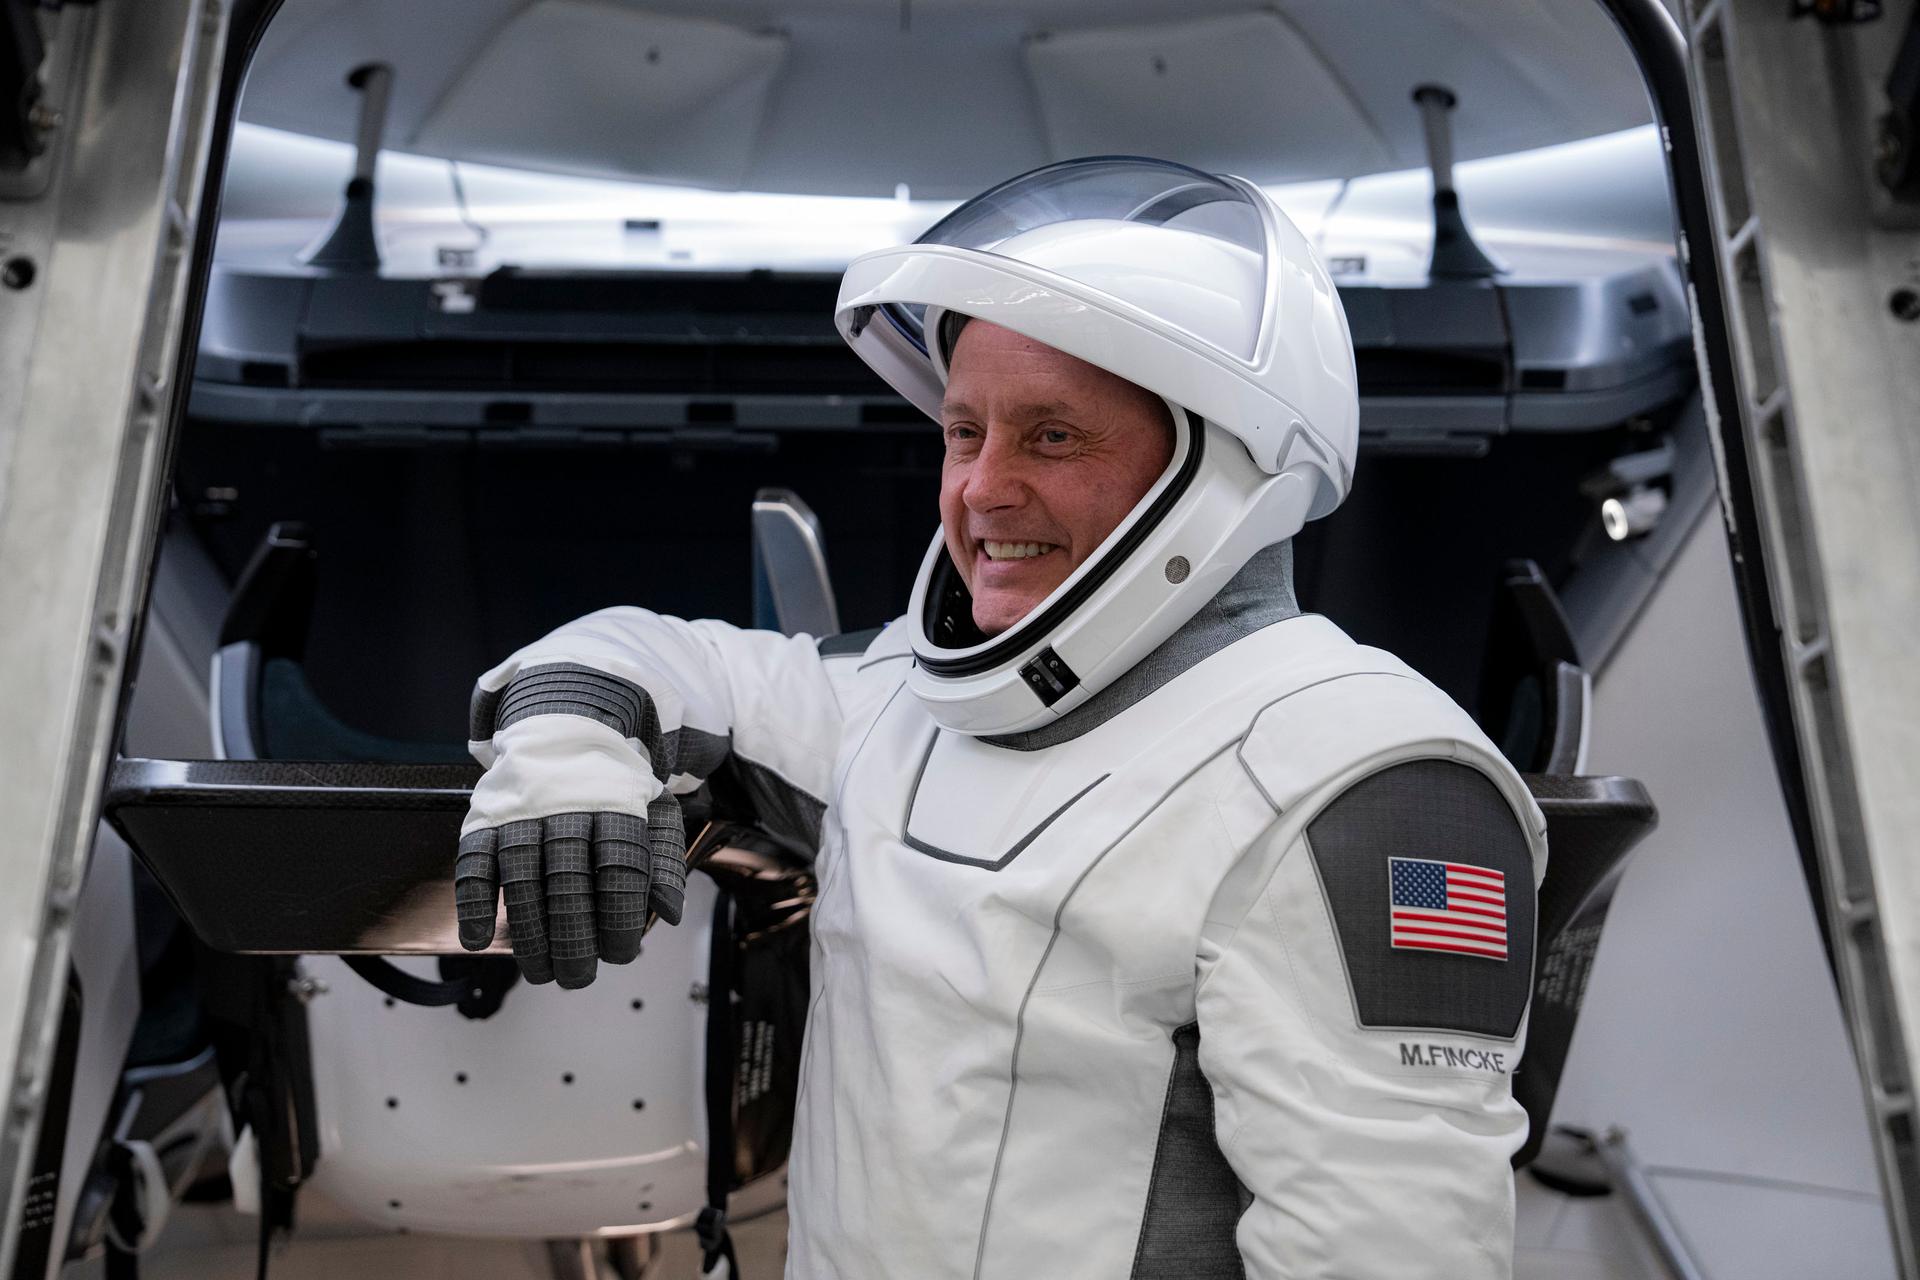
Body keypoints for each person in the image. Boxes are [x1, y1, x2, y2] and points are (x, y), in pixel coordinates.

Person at [455, 157, 1547, 1278]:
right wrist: (566, 748)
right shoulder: (897, 703)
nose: (980, 488)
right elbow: (651, 654)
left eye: (1052, 436)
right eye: (963, 430)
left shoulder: (1366, 784)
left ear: (1222, 465)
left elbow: (1394, 1251)